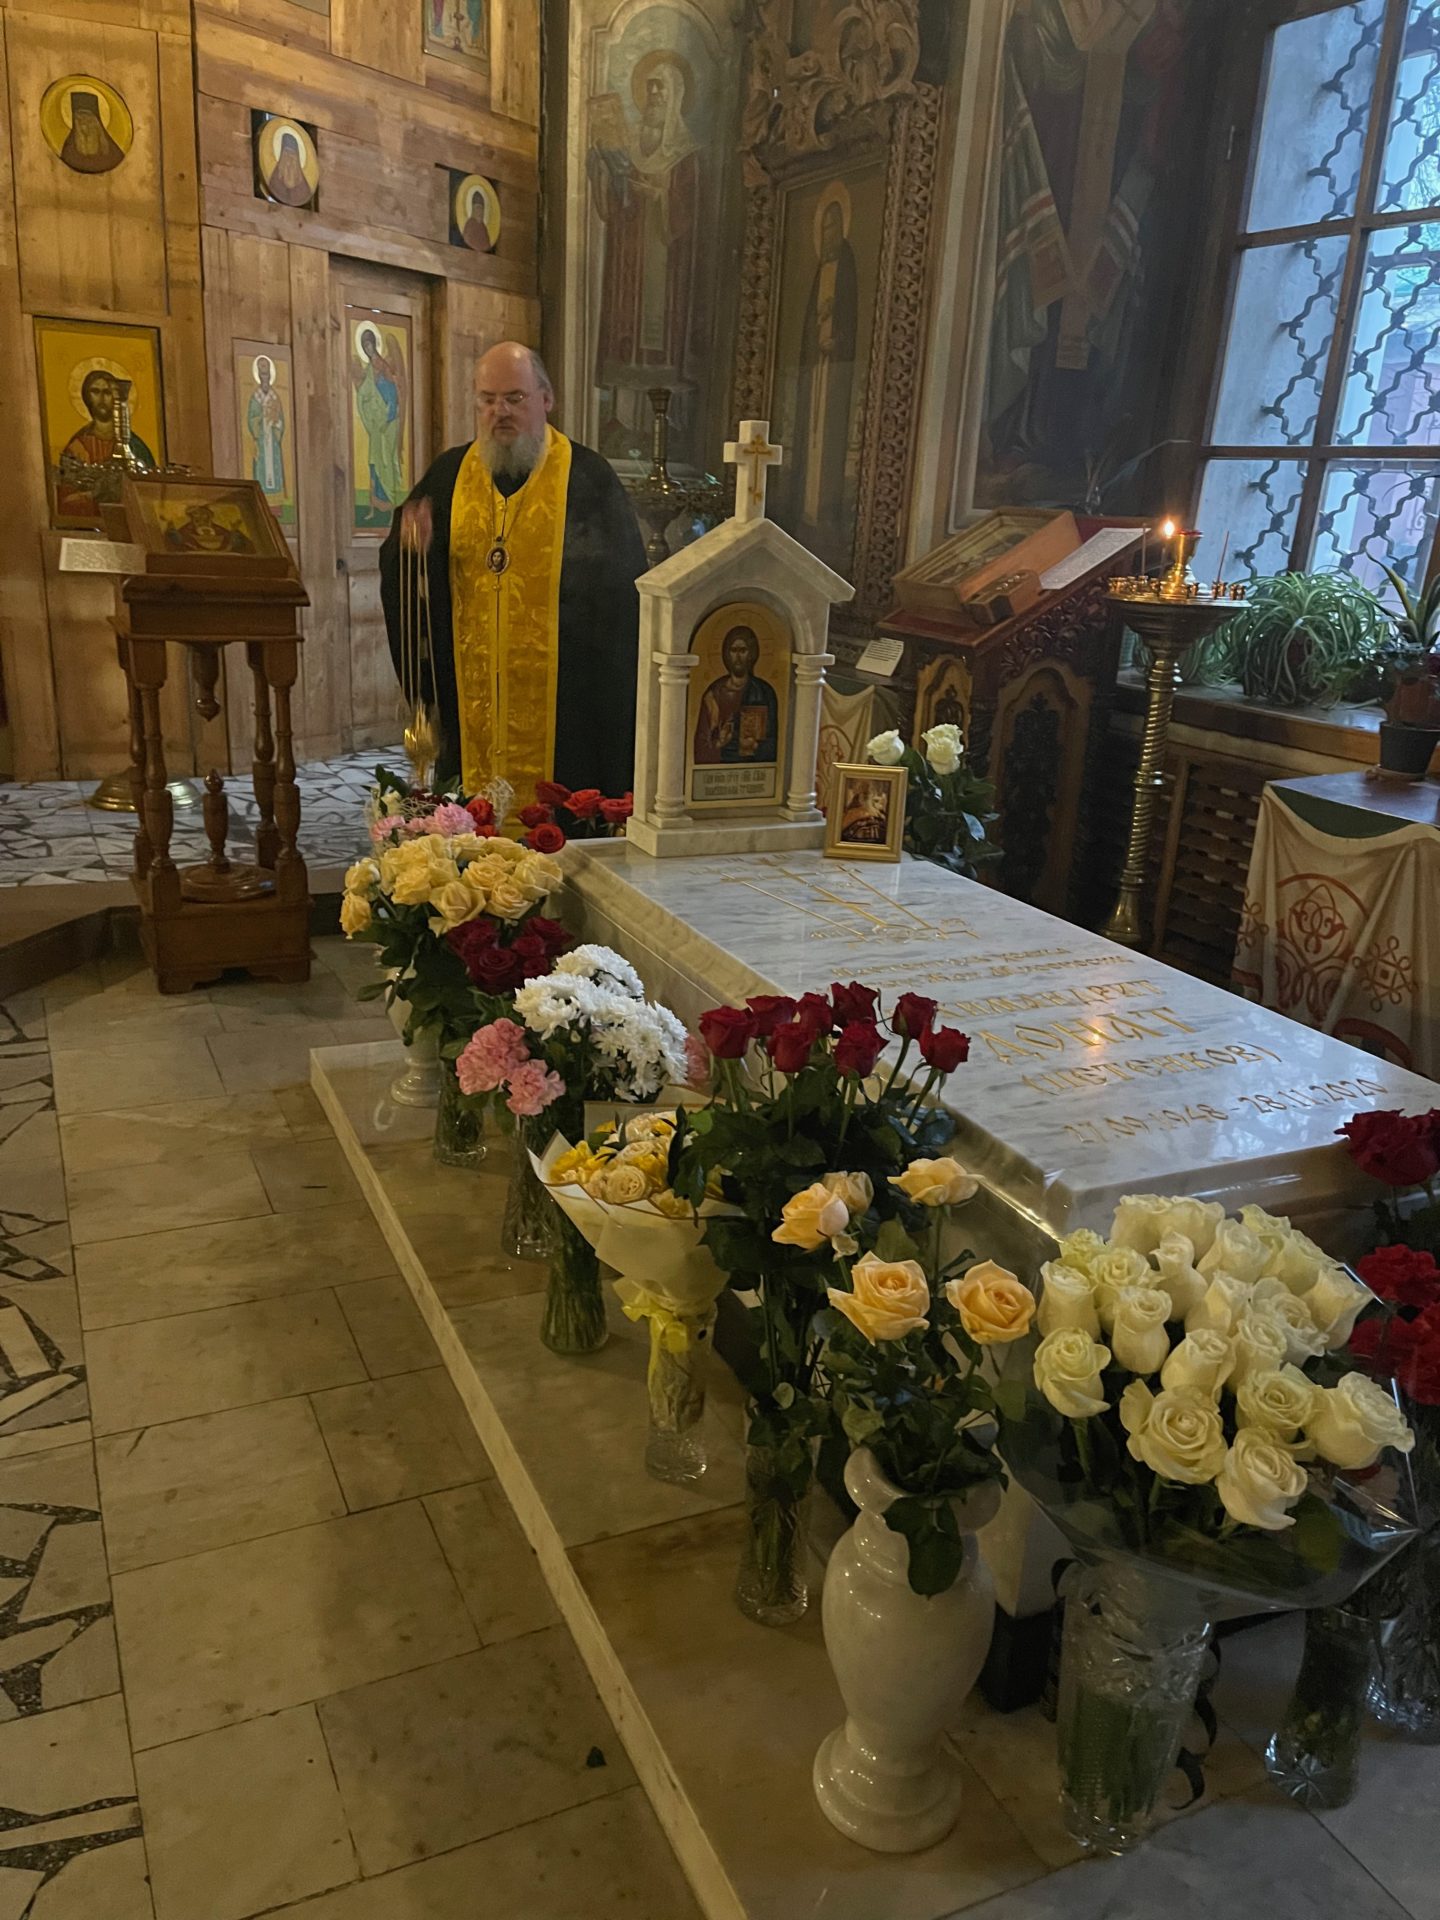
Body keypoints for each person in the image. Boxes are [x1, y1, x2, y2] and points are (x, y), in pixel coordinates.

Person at [379, 340, 646, 799]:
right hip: (473, 713)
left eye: (514, 398)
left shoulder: (588, 479)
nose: (499, 411)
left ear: (546, 399)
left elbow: (624, 598)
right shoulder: (448, 476)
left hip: (566, 717)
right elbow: (406, 575)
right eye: (487, 399)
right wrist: (411, 547)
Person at [786, 187, 858, 562]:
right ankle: (806, 514)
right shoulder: (819, 272)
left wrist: (837, 337)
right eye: (824, 228)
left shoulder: (846, 269)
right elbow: (806, 330)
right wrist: (818, 330)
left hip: (837, 373)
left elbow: (851, 321)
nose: (829, 234)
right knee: (810, 437)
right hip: (816, 369)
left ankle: (826, 515)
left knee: (828, 440)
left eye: (834, 227)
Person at [56, 370, 155, 520]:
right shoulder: (77, 447)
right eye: (95, 392)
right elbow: (68, 496)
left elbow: (150, 493)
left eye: (107, 392)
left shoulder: (135, 446)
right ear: (87, 397)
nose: (102, 398)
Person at [692, 626, 779, 766]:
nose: (738, 657)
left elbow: (775, 742)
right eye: (733, 650)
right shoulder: (714, 694)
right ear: (727, 654)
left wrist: (754, 746)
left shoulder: (765, 692)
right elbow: (701, 746)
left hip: (754, 769)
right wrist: (720, 743)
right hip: (721, 767)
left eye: (743, 651)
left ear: (752, 654)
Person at [354, 328, 407, 517]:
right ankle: (374, 507)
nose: (368, 349)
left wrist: (388, 416)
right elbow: (364, 394)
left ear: (374, 345)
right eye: (364, 346)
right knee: (374, 464)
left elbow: (393, 394)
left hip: (388, 423)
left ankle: (391, 507)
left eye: (369, 345)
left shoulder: (384, 366)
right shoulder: (369, 369)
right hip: (376, 426)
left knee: (386, 461)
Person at [60, 90, 125, 174]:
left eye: (88, 120)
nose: (84, 125)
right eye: (79, 120)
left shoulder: (113, 153)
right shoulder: (69, 151)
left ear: (97, 123)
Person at [247, 357, 286, 497]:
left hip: (272, 440)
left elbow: (281, 420)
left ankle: (276, 493)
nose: (265, 376)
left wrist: (275, 422)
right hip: (262, 439)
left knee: (273, 465)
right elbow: (251, 419)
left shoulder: (275, 397)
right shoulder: (255, 398)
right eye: (262, 371)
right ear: (258, 374)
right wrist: (261, 417)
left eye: (266, 371)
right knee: (261, 465)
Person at [265, 128, 313, 209]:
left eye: (293, 156)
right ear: (282, 156)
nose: (289, 161)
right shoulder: (275, 180)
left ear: (297, 158)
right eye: (287, 155)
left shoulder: (303, 187)